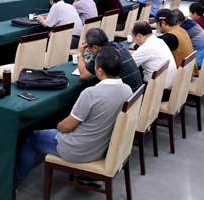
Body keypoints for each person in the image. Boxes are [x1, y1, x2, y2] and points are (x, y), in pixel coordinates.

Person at [15, 46, 133, 187]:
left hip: (77, 150)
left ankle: (14, 183)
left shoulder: (91, 93)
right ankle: (87, 176)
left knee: (32, 138)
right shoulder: (127, 90)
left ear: (100, 70)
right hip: (100, 148)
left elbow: (67, 127)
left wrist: (56, 125)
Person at [76, 27, 143, 91]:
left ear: (95, 47)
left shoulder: (101, 52)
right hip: (137, 92)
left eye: (88, 49)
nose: (89, 51)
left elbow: (83, 76)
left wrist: (80, 53)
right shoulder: (118, 45)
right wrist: (91, 62)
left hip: (127, 93)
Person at [130, 21, 176, 91]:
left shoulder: (147, 47)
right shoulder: (159, 41)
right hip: (169, 83)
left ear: (139, 36)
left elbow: (130, 65)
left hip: (156, 89)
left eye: (133, 36)